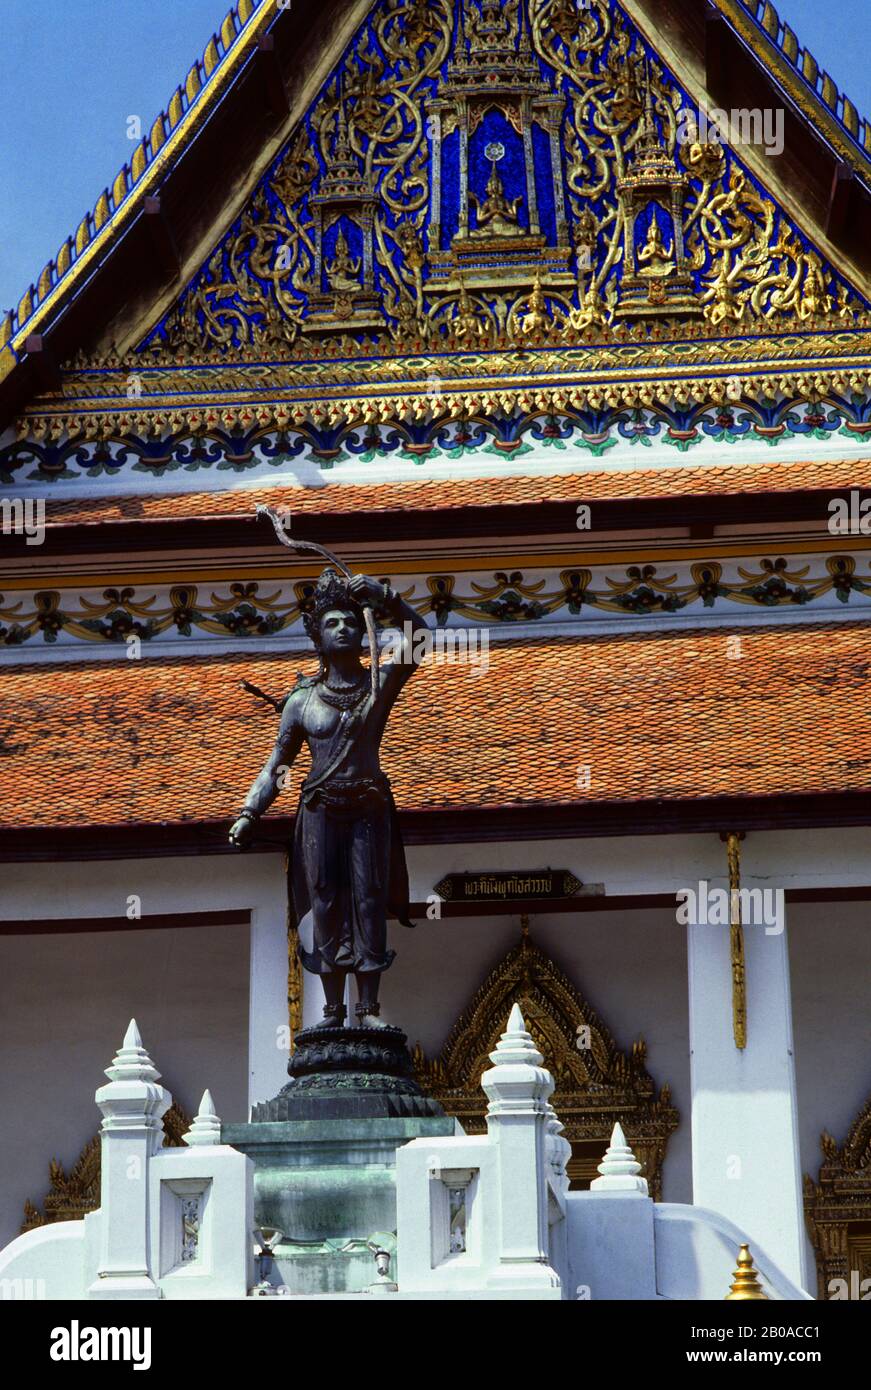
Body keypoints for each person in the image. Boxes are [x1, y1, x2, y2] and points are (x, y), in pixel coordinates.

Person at [229, 569, 429, 1028]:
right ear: (317, 638)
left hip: (367, 807)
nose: (343, 629)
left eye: (351, 622)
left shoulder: (378, 686)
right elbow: (278, 764)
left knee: (368, 899)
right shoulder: (302, 701)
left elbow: (420, 639)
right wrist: (248, 811)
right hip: (319, 810)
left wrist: (386, 597)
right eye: (332, 623)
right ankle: (333, 1010)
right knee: (326, 901)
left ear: (364, 632)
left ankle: (369, 1009)